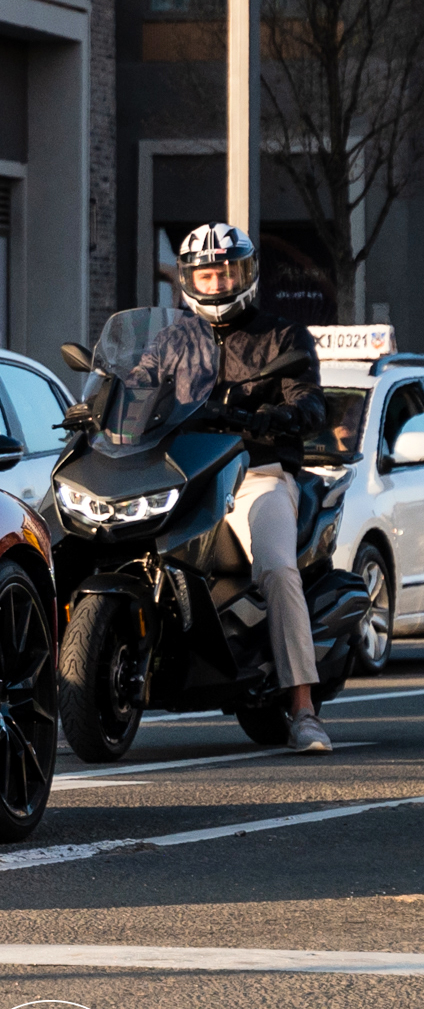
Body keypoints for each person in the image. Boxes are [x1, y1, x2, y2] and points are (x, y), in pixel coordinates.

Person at [170, 223, 332, 753]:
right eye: (206, 273)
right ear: (189, 278)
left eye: (225, 272)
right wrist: (97, 406)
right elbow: (134, 384)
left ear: (244, 274)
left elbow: (310, 400)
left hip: (255, 474)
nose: (216, 282)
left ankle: (303, 708)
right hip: (182, 476)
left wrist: (280, 416)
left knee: (277, 567)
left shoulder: (282, 335)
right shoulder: (172, 340)